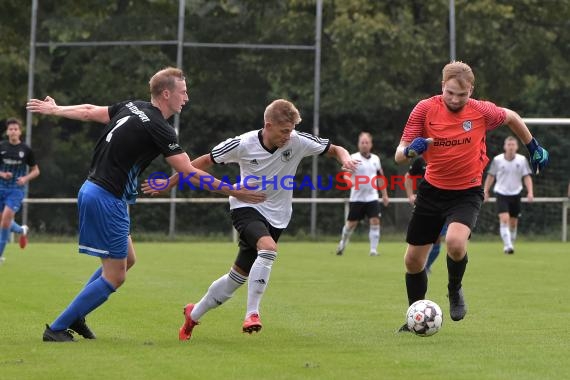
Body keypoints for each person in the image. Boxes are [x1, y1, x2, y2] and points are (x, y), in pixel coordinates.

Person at [26, 67, 264, 342]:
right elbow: (188, 171)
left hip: (97, 192)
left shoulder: (132, 106)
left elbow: (90, 111)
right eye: (183, 92)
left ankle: (77, 314)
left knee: (128, 260)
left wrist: (57, 110)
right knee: (115, 276)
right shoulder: (160, 128)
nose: (186, 97)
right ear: (166, 94)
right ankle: (56, 328)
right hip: (106, 198)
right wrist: (233, 190)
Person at [145, 99, 358, 341]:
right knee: (268, 248)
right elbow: (201, 162)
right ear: (268, 126)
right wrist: (169, 183)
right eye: (284, 131)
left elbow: (335, 149)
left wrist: (345, 159)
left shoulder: (297, 140)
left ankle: (193, 315)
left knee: (235, 279)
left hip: (278, 216)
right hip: (245, 206)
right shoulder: (243, 143)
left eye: (291, 130)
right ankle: (252, 314)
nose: (288, 136)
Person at [394, 61, 549, 331]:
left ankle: (454, 289)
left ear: (471, 91)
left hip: (467, 191)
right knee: (412, 260)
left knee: (455, 242)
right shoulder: (424, 109)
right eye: (450, 92)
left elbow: (511, 116)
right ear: (442, 86)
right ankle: (414, 317)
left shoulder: (481, 111)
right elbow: (399, 154)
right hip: (432, 191)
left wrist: (533, 145)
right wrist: (410, 151)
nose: (455, 99)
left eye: (462, 94)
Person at [335, 132, 389, 256]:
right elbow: (346, 174)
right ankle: (342, 244)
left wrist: (384, 195)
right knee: (350, 225)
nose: (364, 145)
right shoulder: (353, 157)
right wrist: (349, 181)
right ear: (358, 144)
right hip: (357, 198)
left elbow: (380, 177)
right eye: (362, 142)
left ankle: (373, 250)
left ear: (371, 144)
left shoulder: (376, 159)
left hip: (372, 197)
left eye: (367, 142)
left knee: (375, 221)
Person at [483, 136, 533, 254]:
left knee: (513, 223)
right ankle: (508, 246)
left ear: (517, 147)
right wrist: (486, 190)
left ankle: (511, 242)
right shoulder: (497, 160)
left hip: (516, 193)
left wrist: (530, 192)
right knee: (504, 219)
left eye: (513, 145)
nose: (510, 147)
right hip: (501, 193)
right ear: (504, 146)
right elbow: (491, 176)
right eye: (508, 145)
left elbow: (527, 177)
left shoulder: (522, 160)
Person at [0, 118, 39, 264]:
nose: (13, 131)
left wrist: (25, 178)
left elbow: (36, 171)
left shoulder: (26, 150)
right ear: (7, 131)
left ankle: (0, 255)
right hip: (1, 188)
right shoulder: (2, 147)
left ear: (20, 132)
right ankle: (21, 230)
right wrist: (2, 174)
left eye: (16, 129)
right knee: (3, 221)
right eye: (10, 129)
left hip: (16, 190)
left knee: (5, 221)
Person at [404, 156, 447, 273]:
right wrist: (410, 195)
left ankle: (426, 266)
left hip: (446, 204)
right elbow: (408, 176)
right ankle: (423, 267)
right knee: (426, 240)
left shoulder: (447, 156)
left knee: (441, 239)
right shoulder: (421, 160)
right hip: (427, 204)